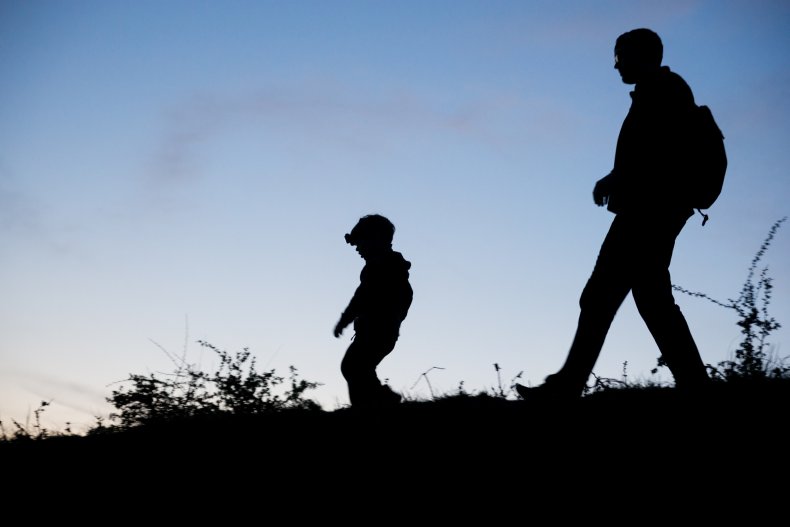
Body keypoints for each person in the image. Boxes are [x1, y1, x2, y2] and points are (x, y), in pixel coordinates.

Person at [517, 28, 711, 400]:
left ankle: (566, 386)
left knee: (600, 296)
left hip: (648, 213)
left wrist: (617, 178)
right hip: (656, 211)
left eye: (620, 55)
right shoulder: (661, 91)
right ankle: (696, 386)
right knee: (652, 301)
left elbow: (655, 153)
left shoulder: (663, 91)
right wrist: (614, 177)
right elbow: (650, 152)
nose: (616, 63)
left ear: (642, 54)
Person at [334, 214, 413, 408]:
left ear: (376, 240)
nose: (358, 249)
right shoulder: (390, 269)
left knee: (354, 366)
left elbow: (361, 298)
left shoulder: (382, 269)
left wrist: (345, 320)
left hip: (378, 332)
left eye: (360, 243)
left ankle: (374, 405)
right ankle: (381, 401)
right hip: (380, 332)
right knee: (358, 368)